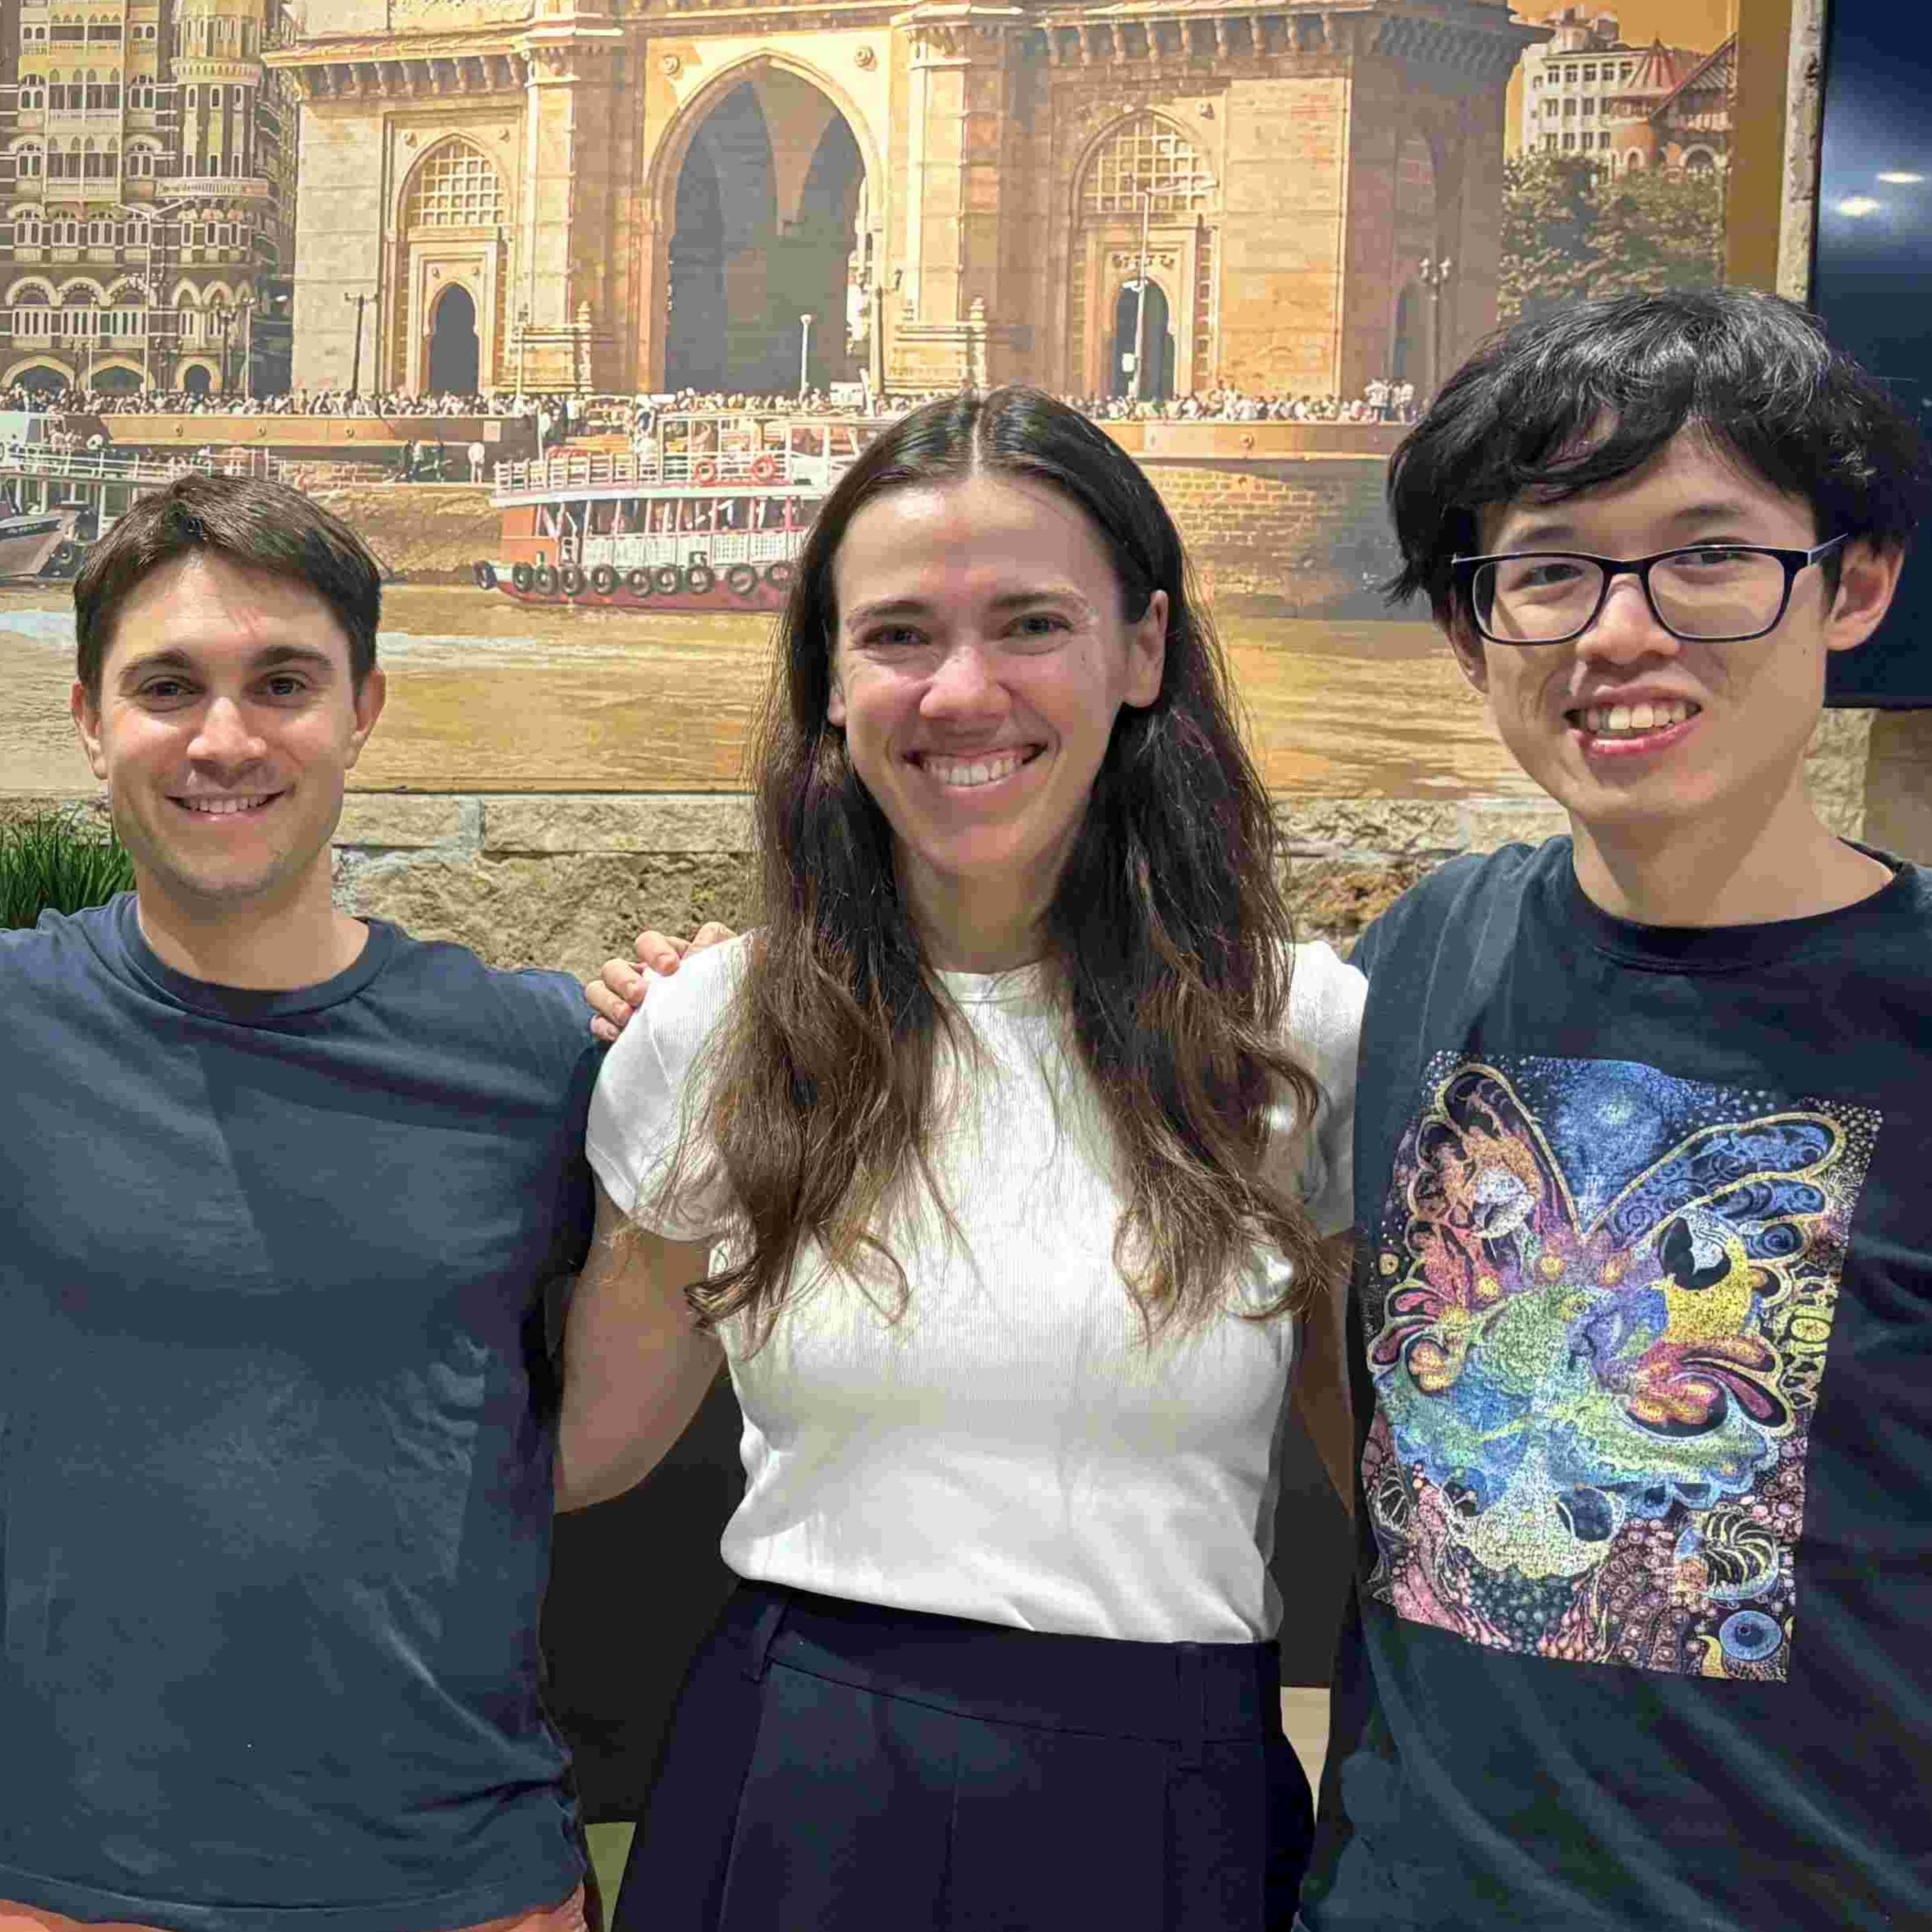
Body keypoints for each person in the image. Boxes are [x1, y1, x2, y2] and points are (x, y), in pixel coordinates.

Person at [561, 386, 1366, 1932]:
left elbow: (1400, 1500)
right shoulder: (714, 1031)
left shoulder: (1301, 1034)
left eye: (1031, 623)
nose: (963, 691)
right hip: (800, 1788)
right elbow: (582, 1448)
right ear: (830, 684)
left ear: (1143, 649)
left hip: (1170, 1804)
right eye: (900, 635)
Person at [1294, 289, 1930, 1929]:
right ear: (1470, 627)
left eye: (1706, 556)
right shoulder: (1425, 951)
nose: (1619, 632)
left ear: (1849, 583)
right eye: (1549, 567)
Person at [0, 474, 602, 1932]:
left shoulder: (540, 1061)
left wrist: (709, 1031)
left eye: (282, 683)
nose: (224, 738)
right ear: (88, 718)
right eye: (167, 686)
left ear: (364, 709)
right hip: (64, 1890)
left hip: (459, 1892)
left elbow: (597, 1434)